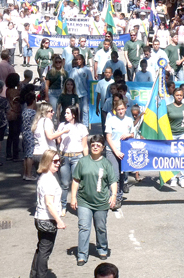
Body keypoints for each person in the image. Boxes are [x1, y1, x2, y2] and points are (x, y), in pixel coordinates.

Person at [71, 135, 117, 266]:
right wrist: (73, 197)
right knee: (84, 227)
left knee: (100, 227)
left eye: (98, 145)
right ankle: (82, 254)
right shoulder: (83, 162)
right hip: (84, 200)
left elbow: (113, 181)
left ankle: (102, 248)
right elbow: (76, 180)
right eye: (93, 144)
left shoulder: (106, 163)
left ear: (103, 147)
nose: (95, 146)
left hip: (101, 202)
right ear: (90, 146)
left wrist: (113, 196)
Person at [30, 150, 65, 278]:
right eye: (55, 161)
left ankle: (34, 275)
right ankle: (41, 275)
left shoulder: (45, 177)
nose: (58, 164)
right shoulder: (49, 180)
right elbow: (49, 203)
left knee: (41, 249)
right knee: (45, 251)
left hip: (40, 217)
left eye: (59, 161)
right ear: (47, 162)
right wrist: (59, 220)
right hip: (47, 219)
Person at [57, 106, 89, 216]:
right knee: (65, 183)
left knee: (78, 183)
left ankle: (79, 205)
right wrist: (61, 132)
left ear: (74, 115)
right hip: (64, 156)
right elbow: (58, 141)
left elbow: (84, 146)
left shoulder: (81, 127)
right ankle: (63, 206)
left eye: (67, 113)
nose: (65, 115)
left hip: (77, 157)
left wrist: (87, 161)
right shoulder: (62, 125)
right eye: (65, 113)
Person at [105, 100, 134, 209]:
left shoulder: (129, 120)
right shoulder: (111, 120)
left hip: (125, 151)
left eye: (122, 109)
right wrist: (116, 151)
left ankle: (119, 196)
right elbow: (108, 137)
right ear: (115, 110)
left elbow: (133, 134)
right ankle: (113, 197)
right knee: (114, 175)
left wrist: (128, 135)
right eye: (118, 109)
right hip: (112, 151)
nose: (121, 111)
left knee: (122, 175)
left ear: (126, 108)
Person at [167, 88, 184, 187]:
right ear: (174, 96)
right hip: (172, 134)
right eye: (177, 95)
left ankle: (183, 178)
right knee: (173, 157)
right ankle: (173, 178)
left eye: (181, 95)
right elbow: (165, 123)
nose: (179, 97)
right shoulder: (168, 107)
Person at [5, 73, 22, 161]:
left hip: (10, 113)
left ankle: (8, 153)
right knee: (16, 135)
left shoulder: (8, 90)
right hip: (15, 113)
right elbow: (19, 99)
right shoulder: (15, 92)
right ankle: (15, 155)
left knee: (11, 135)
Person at [22, 92, 38, 181]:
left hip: (25, 133)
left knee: (25, 155)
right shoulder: (33, 112)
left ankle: (25, 173)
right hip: (31, 134)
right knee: (30, 155)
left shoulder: (24, 111)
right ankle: (29, 174)